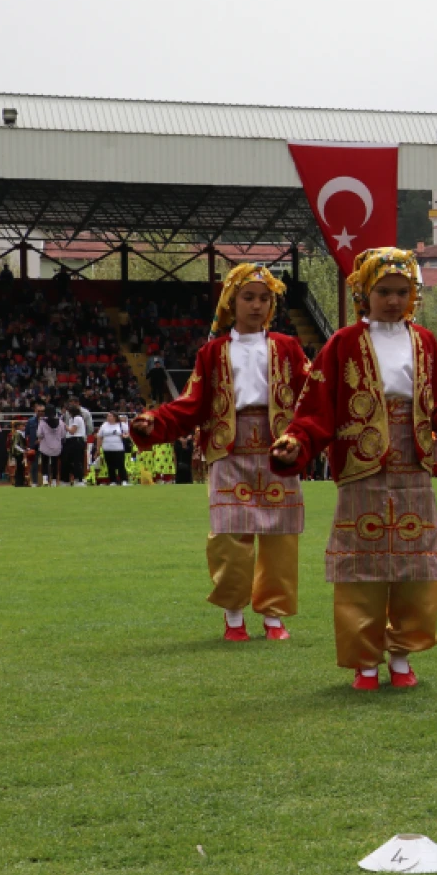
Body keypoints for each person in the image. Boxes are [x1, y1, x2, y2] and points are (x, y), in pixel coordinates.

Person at [271, 248, 437, 690]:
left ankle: (402, 657)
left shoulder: (426, 342)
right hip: (361, 472)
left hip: (413, 470)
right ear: (363, 291)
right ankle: (364, 662)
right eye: (384, 291)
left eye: (403, 291)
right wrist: (296, 442)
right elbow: (315, 411)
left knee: (416, 571)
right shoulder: (341, 344)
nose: (394, 300)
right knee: (362, 570)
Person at [131, 265, 312, 641]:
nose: (257, 305)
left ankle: (274, 617)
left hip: (279, 448)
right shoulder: (212, 352)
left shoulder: (289, 348)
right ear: (231, 302)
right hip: (229, 450)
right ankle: (233, 616)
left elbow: (313, 396)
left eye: (265, 298)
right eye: (249, 297)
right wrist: (155, 420)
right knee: (230, 536)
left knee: (280, 537)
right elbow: (191, 404)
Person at [97, 411, 131, 486]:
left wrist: (125, 436)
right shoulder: (104, 425)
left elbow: (128, 433)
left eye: (110, 416)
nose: (108, 417)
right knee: (110, 465)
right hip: (107, 448)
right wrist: (98, 448)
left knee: (120, 465)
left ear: (115, 417)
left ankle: (124, 480)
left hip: (118, 448)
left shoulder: (122, 425)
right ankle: (113, 480)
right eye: (108, 416)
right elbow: (99, 436)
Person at [35, 407, 64, 486]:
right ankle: (54, 481)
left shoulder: (42, 422)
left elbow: (39, 434)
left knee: (45, 463)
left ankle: (45, 480)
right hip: (57, 447)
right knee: (55, 464)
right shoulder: (60, 422)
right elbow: (63, 435)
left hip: (45, 446)